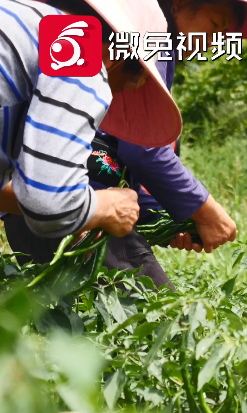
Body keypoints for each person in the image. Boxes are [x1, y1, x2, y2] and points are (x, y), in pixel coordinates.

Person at [4, 0, 247, 290]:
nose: (214, 43)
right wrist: (203, 210)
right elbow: (142, 150)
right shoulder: (97, 51)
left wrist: (167, 219)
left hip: (56, 201)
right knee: (167, 324)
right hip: (71, 199)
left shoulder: (36, 32)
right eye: (215, 26)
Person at [0, 0, 180, 245]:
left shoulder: (20, 20)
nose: (112, 98)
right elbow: (49, 206)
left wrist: (81, 210)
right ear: (115, 59)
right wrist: (105, 207)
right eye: (125, 86)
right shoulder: (79, 52)